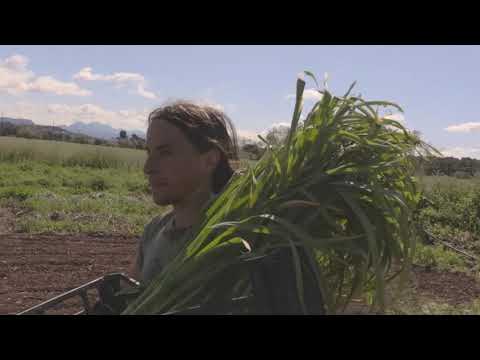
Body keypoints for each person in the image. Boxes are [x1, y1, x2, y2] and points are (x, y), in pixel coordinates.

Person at [129, 101, 240, 285]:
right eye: (149, 153)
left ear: (209, 160)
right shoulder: (154, 230)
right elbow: (130, 290)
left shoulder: (232, 238)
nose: (148, 168)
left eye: (165, 153)